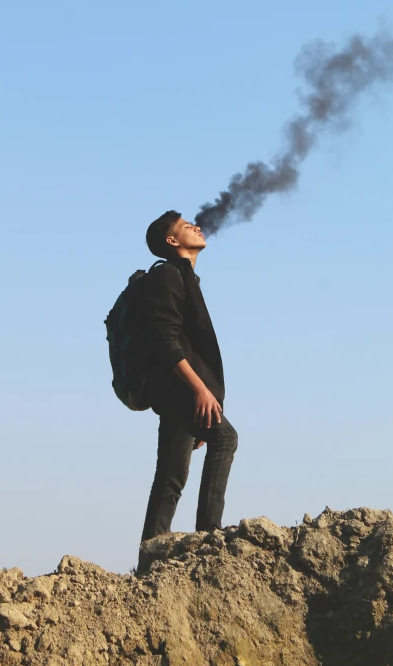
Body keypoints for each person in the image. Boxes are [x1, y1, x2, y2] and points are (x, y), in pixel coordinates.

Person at [140, 210, 238, 542]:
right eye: (186, 227)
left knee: (170, 478)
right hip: (179, 388)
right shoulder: (168, 275)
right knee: (225, 438)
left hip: (176, 391)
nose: (196, 227)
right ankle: (210, 534)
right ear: (172, 241)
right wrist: (199, 390)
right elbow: (165, 341)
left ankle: (149, 561)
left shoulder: (184, 277)